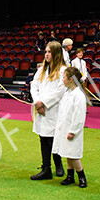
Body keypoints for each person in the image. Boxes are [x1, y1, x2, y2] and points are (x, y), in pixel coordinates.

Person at [30, 41, 68, 180]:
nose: (46, 54)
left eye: (49, 52)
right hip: (41, 109)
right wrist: (37, 102)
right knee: (43, 138)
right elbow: (34, 86)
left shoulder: (63, 70)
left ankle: (58, 164)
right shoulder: (41, 70)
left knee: (53, 139)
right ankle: (46, 168)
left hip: (53, 110)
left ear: (57, 53)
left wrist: (44, 103)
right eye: (45, 51)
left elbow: (60, 91)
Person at [53, 67, 88, 188]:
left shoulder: (79, 96)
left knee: (74, 155)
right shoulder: (67, 93)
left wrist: (73, 131)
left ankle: (81, 176)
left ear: (71, 79)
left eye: (64, 77)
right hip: (65, 128)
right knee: (68, 153)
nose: (62, 79)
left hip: (72, 130)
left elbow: (78, 116)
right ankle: (70, 176)